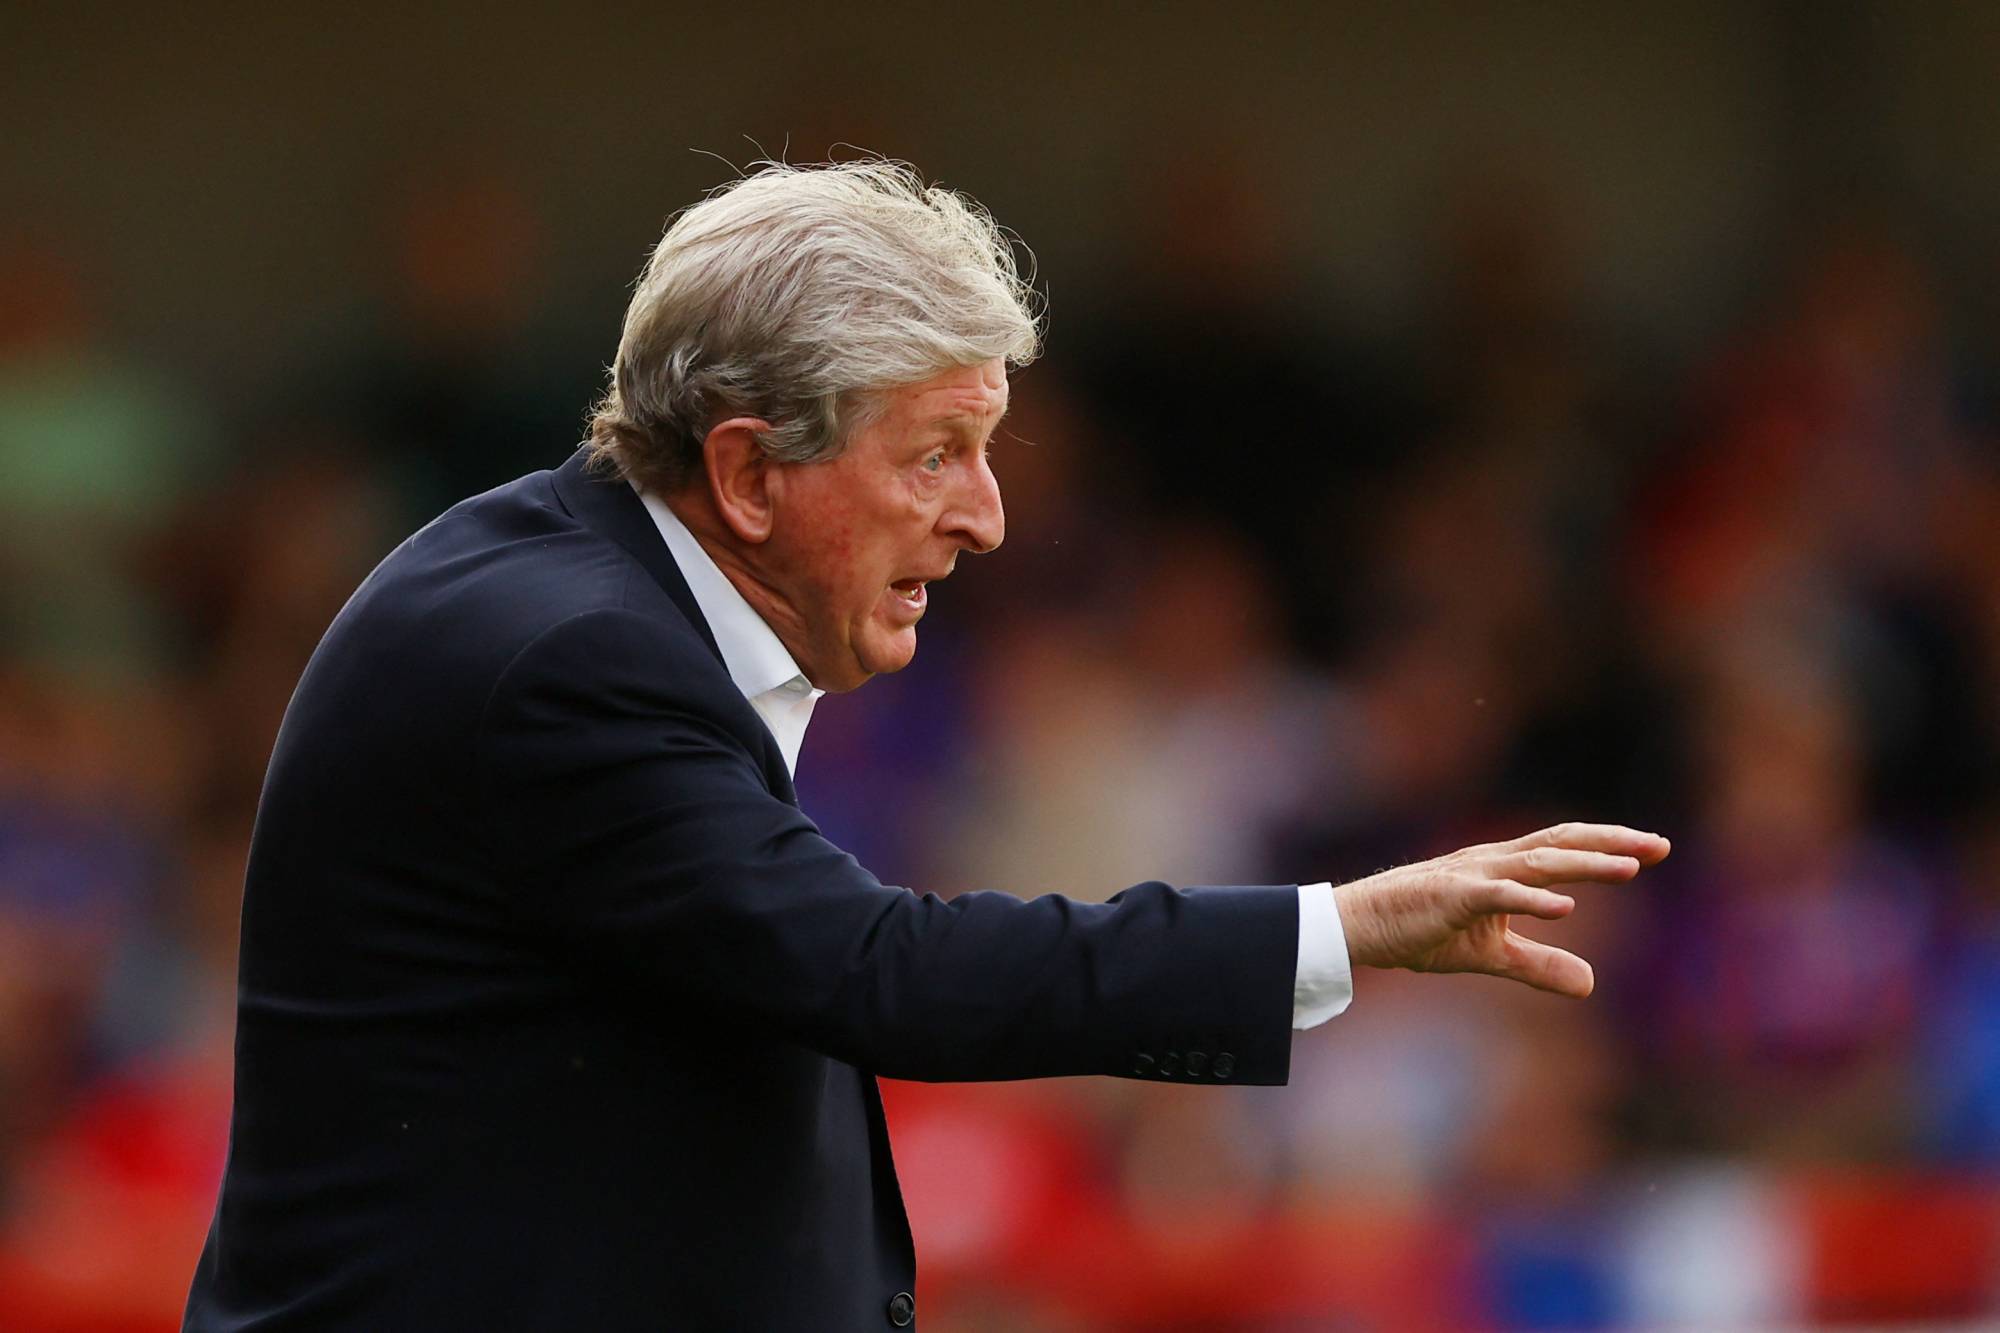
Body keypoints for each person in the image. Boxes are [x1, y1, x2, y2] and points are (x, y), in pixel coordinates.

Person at [182, 161, 1668, 1331]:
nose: (987, 518)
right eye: (936, 454)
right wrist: (1341, 930)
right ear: (748, 473)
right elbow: (881, 975)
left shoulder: (587, 597)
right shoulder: (568, 660)